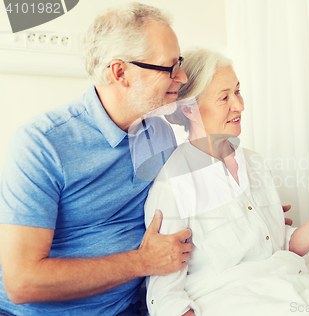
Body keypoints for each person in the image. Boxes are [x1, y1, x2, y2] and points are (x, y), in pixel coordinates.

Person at [0, 3, 193, 315]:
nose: (181, 77)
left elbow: (180, 204)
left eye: (179, 62)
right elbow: (23, 282)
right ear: (120, 73)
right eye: (169, 67)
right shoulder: (41, 143)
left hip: (136, 303)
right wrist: (143, 262)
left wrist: (246, 210)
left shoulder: (160, 132)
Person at [143, 49, 309, 316]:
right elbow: (165, 297)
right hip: (230, 302)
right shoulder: (173, 185)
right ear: (189, 109)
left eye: (238, 91)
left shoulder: (254, 163)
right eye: (224, 97)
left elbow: (277, 247)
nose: (239, 105)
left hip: (288, 284)